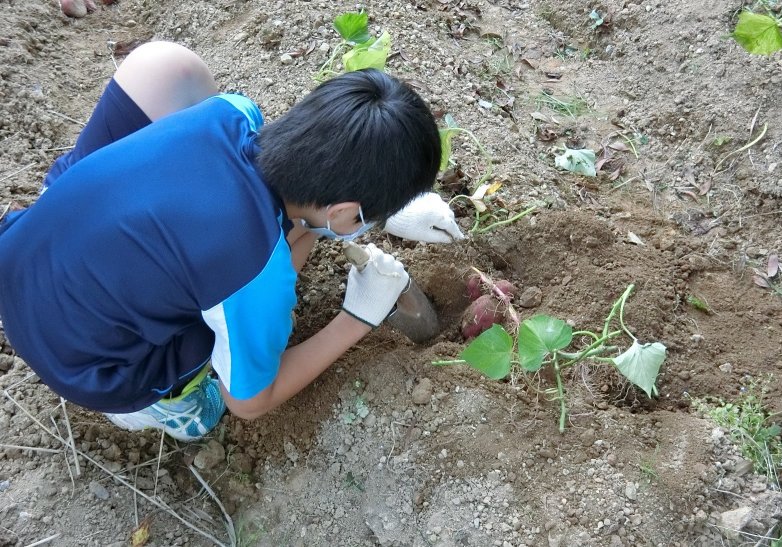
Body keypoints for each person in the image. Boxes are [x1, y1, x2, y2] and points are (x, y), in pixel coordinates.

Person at [0, 41, 463, 441]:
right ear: (343, 211)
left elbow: (286, 220)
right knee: (205, 409)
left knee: (170, 79)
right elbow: (250, 401)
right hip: (86, 366)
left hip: (22, 252)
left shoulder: (231, 111)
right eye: (369, 218)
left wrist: (369, 208)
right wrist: (358, 316)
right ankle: (160, 410)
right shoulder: (254, 272)